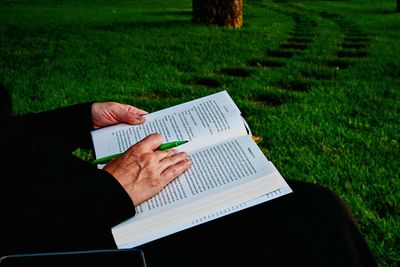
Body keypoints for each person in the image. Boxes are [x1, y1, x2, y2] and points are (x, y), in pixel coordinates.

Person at [0, 84, 377, 266]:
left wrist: (76, 120)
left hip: (71, 195)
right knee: (310, 217)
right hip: (66, 232)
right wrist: (109, 191)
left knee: (312, 208)